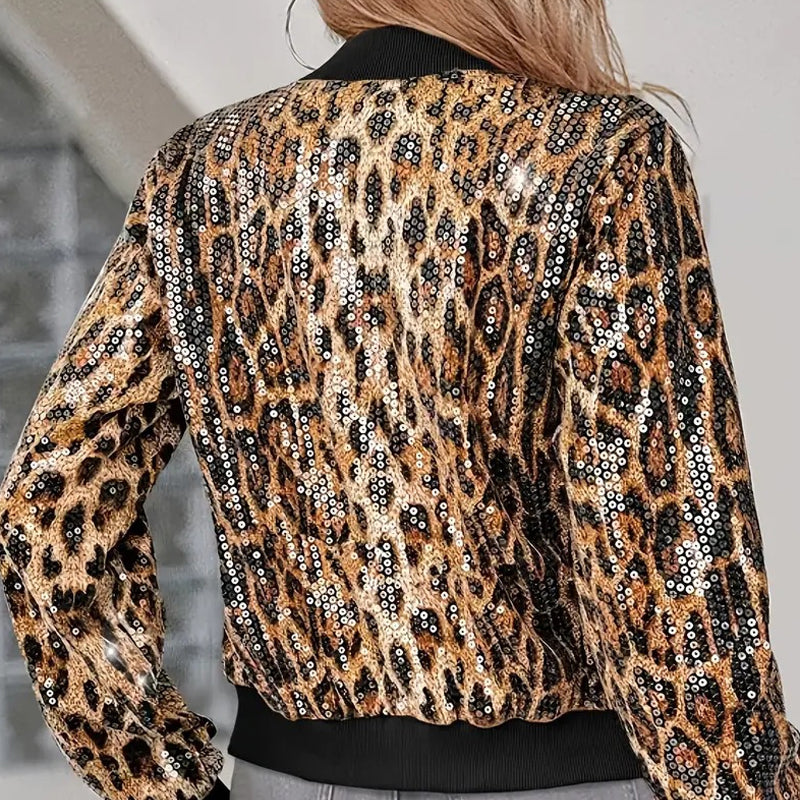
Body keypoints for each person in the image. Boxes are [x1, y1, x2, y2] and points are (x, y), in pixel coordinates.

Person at [1, 2, 799, 800]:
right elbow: (663, 540)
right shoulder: (598, 153)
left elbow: (47, 502)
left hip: (289, 781)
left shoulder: (202, 171)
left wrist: (156, 776)